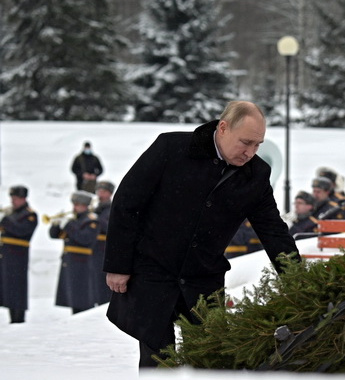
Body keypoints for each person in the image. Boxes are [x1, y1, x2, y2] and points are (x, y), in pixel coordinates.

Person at [103, 100, 300, 368]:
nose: (250, 152)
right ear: (223, 128)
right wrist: (118, 265)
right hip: (153, 274)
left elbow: (273, 230)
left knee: (211, 361)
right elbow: (127, 203)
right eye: (245, 142)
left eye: (258, 145)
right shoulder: (171, 148)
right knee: (158, 361)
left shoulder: (256, 175)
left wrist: (298, 279)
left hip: (203, 280)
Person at [0, 186, 38, 323]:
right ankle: (12, 318)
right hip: (6, 255)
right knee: (7, 287)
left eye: (15, 198)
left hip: (18, 256)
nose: (12, 201)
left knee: (17, 288)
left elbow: (20, 230)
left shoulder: (30, 215)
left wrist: (3, 219)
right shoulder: (9, 213)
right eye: (12, 198)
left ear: (23, 199)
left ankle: (18, 319)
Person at [50, 190, 99, 314]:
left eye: (77, 204)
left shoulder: (91, 220)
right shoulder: (74, 220)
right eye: (74, 204)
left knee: (82, 297)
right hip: (70, 261)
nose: (74, 207)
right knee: (73, 297)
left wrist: (68, 225)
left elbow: (84, 238)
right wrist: (56, 224)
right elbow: (54, 235)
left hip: (82, 263)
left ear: (85, 205)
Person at [91, 180, 115, 305]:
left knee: (102, 278)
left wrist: (97, 220)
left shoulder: (112, 209)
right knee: (93, 277)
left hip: (104, 247)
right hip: (94, 248)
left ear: (110, 193)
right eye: (99, 191)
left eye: (104, 191)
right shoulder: (95, 208)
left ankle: (104, 302)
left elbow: (110, 227)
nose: (100, 194)